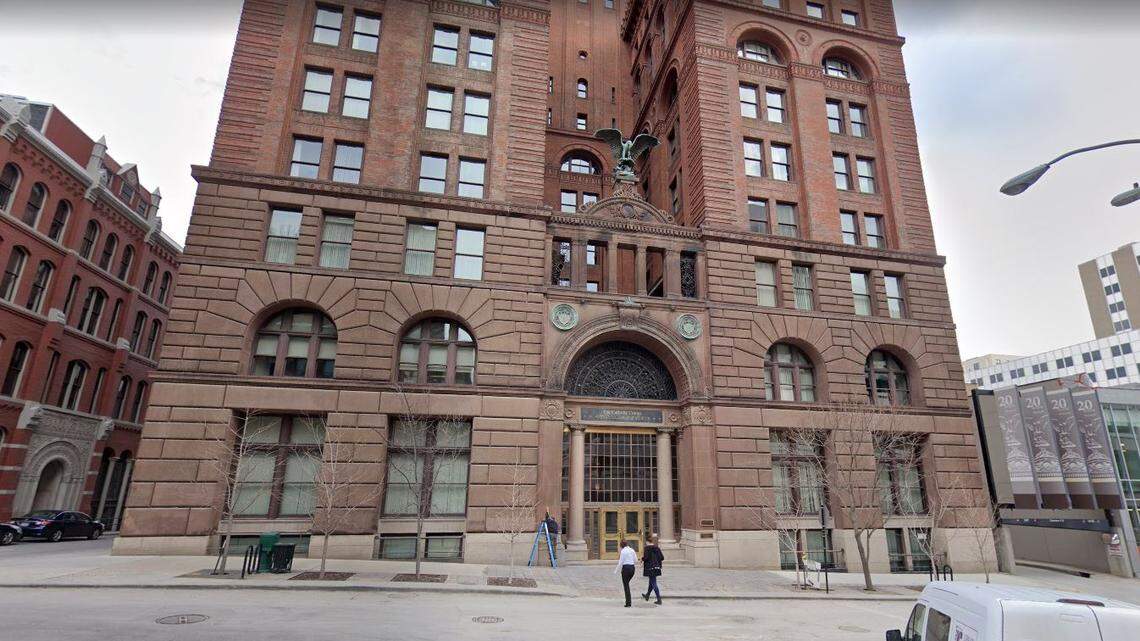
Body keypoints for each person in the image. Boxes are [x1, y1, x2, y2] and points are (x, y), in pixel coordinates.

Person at [613, 539, 638, 607]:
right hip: (632, 568)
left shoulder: (623, 551)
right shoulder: (632, 550)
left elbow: (620, 562)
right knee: (627, 584)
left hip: (626, 569)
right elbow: (636, 560)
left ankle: (628, 603)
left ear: (621, 546)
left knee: (626, 586)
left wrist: (615, 571)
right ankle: (628, 602)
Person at [641, 536, 664, 605]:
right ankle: (647, 595)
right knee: (651, 581)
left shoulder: (647, 548)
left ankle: (659, 599)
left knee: (653, 583)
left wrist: (642, 559)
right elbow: (662, 557)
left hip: (650, 568)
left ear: (647, 542)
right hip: (657, 567)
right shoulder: (657, 548)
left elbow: (646, 558)